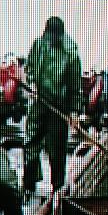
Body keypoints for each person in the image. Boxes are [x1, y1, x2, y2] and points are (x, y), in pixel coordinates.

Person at [24, 16, 82, 196]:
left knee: (56, 150)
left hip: (58, 108)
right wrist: (32, 84)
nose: (49, 40)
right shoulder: (38, 44)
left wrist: (74, 111)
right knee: (30, 143)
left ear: (60, 35)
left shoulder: (71, 54)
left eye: (53, 37)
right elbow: (29, 68)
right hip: (38, 103)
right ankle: (29, 185)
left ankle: (57, 189)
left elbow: (75, 86)